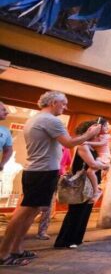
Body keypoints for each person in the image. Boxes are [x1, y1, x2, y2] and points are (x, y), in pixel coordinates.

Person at [0, 91, 101, 267]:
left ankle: (16, 248)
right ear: (54, 102)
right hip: (42, 171)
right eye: (64, 103)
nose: (65, 107)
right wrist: (89, 133)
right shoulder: (51, 120)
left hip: (39, 170)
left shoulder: (39, 118)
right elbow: (69, 143)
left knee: (30, 212)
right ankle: (3, 253)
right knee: (24, 212)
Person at [54, 121, 109, 248]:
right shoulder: (82, 145)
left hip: (88, 183)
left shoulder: (90, 146)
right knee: (76, 213)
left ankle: (76, 239)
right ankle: (65, 241)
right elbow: (93, 164)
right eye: (96, 129)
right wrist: (106, 165)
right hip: (81, 183)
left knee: (84, 212)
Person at [36, 146, 73, 240]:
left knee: (49, 205)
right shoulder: (49, 146)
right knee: (38, 204)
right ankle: (39, 230)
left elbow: (67, 163)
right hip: (45, 174)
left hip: (58, 177)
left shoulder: (66, 149)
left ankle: (42, 231)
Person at [83, 118, 111, 200]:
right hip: (100, 156)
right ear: (100, 126)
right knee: (90, 172)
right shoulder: (96, 136)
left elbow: (101, 143)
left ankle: (97, 191)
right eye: (106, 126)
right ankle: (96, 190)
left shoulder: (107, 136)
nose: (107, 128)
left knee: (90, 171)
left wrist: (87, 142)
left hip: (104, 156)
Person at [0, 102, 14, 172]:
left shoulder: (5, 131)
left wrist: (2, 164)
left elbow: (8, 150)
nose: (7, 112)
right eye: (3, 110)